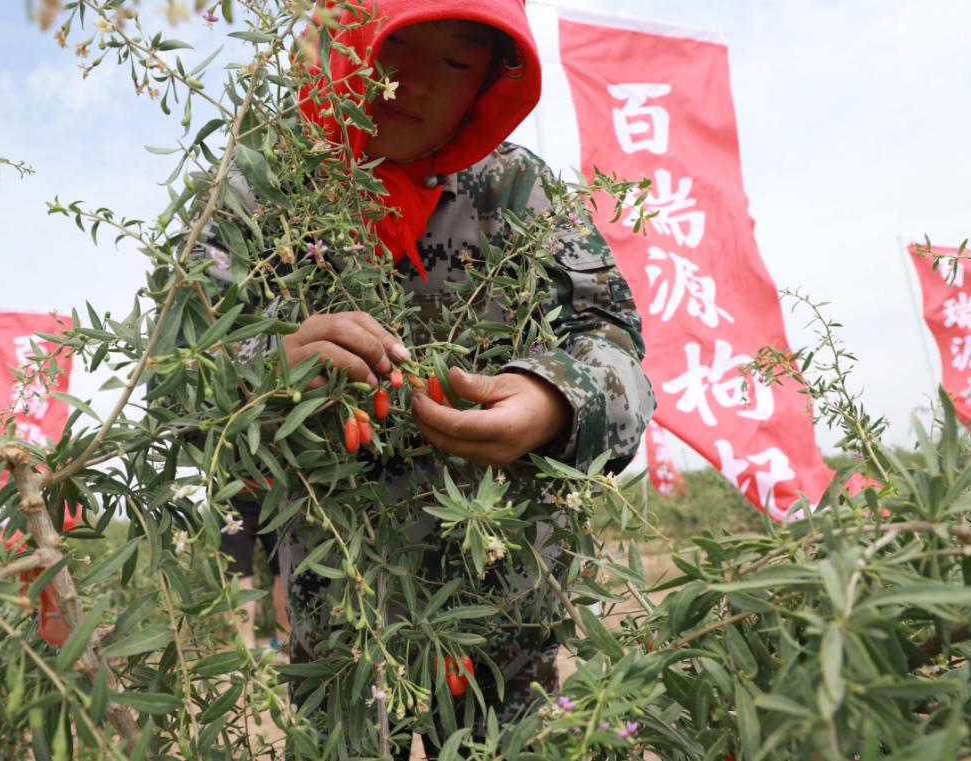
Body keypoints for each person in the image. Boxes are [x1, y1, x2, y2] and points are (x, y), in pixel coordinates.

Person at [201, 0, 655, 755]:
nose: (413, 84)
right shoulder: (258, 188)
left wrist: (555, 399)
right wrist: (265, 373)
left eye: (455, 62)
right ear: (349, 36)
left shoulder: (518, 189)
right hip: (337, 624)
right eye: (397, 45)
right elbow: (178, 379)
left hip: (503, 620)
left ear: (489, 81)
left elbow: (613, 345)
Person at [219, 495, 291, 652]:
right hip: (234, 498)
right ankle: (246, 651)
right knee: (237, 574)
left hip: (277, 495)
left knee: (285, 569)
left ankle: (284, 646)